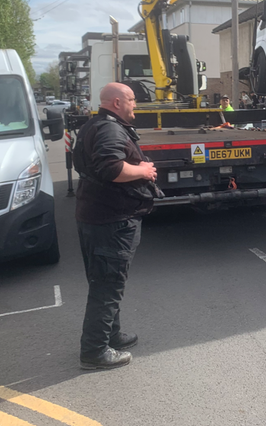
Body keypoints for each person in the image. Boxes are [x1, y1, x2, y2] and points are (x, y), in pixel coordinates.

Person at [72, 83, 158, 370]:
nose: (136, 105)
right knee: (107, 286)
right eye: (133, 100)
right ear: (118, 102)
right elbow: (111, 168)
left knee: (106, 281)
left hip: (95, 215)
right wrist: (143, 170)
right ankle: (95, 352)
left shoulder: (92, 125)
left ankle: (112, 336)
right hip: (112, 221)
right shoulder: (110, 129)